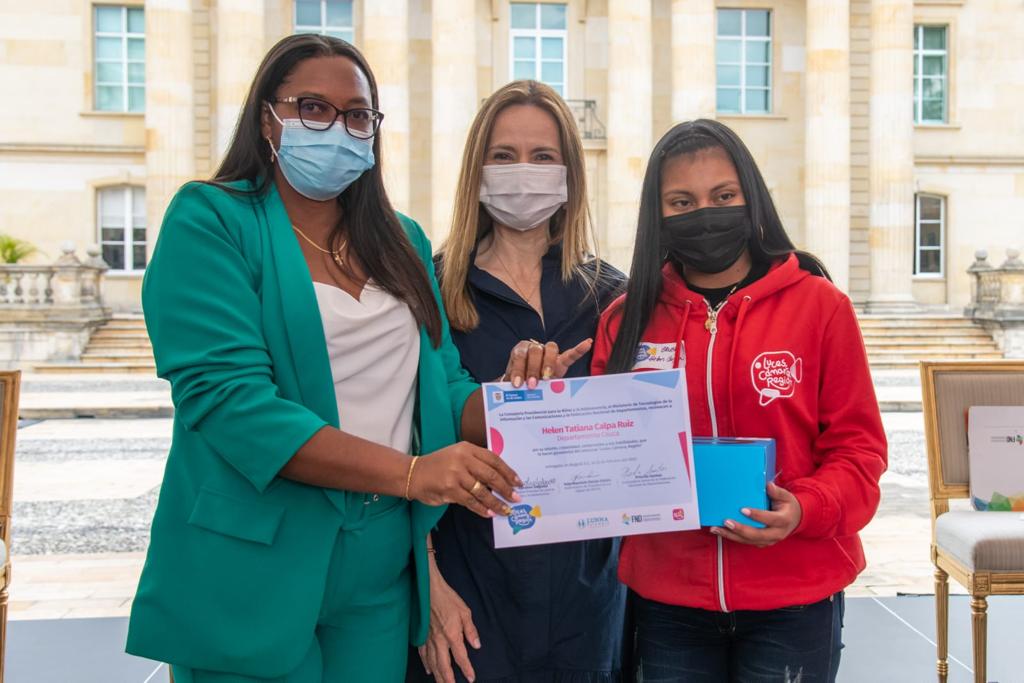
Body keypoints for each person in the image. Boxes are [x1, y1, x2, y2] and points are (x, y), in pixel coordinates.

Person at [125, 35, 585, 682]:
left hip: (379, 565)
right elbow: (233, 406)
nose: (338, 128)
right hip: (253, 560)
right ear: (268, 117)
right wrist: (411, 473)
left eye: (358, 115)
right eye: (313, 108)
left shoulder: (402, 240)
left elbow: (443, 386)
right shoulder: (211, 221)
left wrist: (515, 398)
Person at [590, 119, 887, 682]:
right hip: (668, 601)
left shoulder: (821, 307)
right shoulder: (624, 320)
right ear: (657, 215)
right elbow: (603, 455)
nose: (705, 213)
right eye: (682, 202)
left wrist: (804, 509)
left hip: (796, 595)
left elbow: (860, 452)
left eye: (723, 196)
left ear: (751, 198)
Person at [408, 80, 627, 683]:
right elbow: (398, 444)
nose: (522, 171)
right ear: (476, 172)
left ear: (570, 174)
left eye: (542, 156)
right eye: (503, 156)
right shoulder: (428, 292)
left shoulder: (612, 297)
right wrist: (428, 586)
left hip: (586, 602)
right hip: (468, 592)